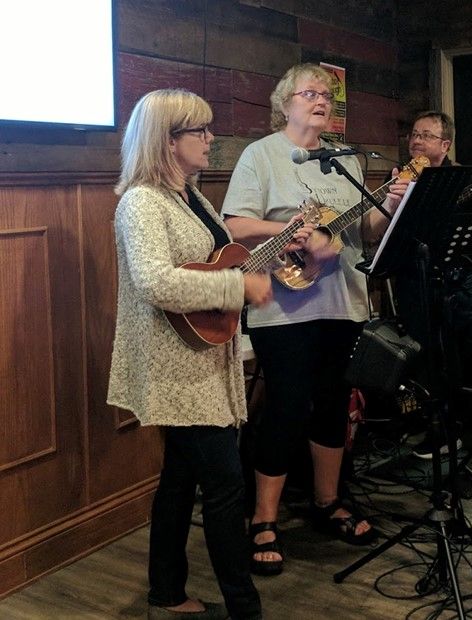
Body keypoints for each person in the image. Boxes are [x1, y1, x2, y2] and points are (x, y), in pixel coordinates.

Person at [107, 89, 299, 620]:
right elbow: (155, 282)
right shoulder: (142, 202)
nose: (212, 139)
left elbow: (219, 260)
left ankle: (166, 595)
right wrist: (238, 288)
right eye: (201, 130)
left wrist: (270, 256)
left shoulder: (189, 195)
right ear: (168, 140)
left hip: (200, 361)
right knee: (224, 486)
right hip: (176, 370)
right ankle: (244, 609)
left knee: (179, 481)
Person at [222, 63, 407, 575]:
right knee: (285, 407)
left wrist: (389, 204)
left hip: (342, 303)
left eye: (327, 95)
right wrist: (292, 232)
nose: (322, 100)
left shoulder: (345, 160)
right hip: (283, 307)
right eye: (310, 93)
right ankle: (263, 517)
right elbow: (234, 223)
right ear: (285, 104)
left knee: (332, 404)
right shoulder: (261, 155)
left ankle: (328, 501)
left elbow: (363, 232)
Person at [391, 111, 472, 458]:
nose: (416, 141)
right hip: (417, 277)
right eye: (414, 134)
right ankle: (442, 430)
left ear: (445, 145)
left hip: (463, 278)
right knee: (429, 358)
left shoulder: (466, 179)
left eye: (426, 135)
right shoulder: (400, 178)